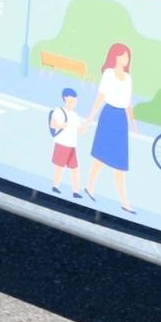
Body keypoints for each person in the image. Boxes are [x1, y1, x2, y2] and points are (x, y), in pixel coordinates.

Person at [85, 42, 137, 214]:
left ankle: (124, 201)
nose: (126, 58)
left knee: (120, 162)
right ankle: (90, 186)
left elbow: (128, 102)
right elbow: (100, 97)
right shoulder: (108, 74)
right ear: (115, 56)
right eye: (123, 55)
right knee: (100, 155)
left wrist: (132, 123)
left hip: (121, 118)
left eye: (127, 56)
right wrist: (89, 120)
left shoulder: (128, 78)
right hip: (108, 115)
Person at [49, 88, 87, 198]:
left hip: (72, 145)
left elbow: (80, 131)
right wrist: (62, 125)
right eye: (72, 100)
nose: (74, 103)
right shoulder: (59, 111)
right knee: (59, 167)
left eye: (75, 100)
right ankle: (55, 186)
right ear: (65, 98)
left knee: (74, 168)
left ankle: (75, 191)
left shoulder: (75, 115)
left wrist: (84, 127)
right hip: (62, 143)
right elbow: (52, 124)